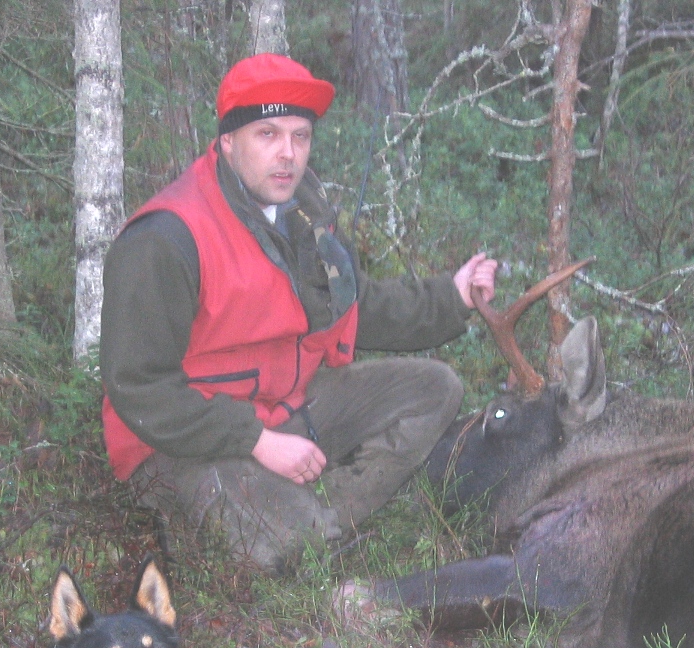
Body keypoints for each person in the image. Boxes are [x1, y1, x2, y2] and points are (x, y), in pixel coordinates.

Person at [100, 53, 497, 573]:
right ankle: (297, 524)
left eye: (300, 136)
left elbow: (353, 306)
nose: (288, 154)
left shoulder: (302, 210)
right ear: (227, 141)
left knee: (437, 389)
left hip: (285, 408)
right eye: (267, 134)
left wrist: (452, 297)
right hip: (187, 441)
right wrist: (257, 441)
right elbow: (140, 390)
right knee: (292, 550)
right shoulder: (166, 239)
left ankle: (316, 511)